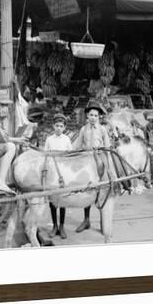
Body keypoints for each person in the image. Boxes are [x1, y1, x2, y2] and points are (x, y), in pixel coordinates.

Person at [71, 100, 111, 233]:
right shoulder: (84, 129)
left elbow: (108, 146)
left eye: (95, 115)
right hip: (87, 162)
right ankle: (86, 220)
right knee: (87, 189)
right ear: (87, 116)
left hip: (100, 161)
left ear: (99, 117)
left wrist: (104, 155)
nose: (93, 118)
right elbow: (76, 145)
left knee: (101, 190)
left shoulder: (102, 129)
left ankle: (102, 221)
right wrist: (70, 152)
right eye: (91, 115)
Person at [44, 114, 72, 239]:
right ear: (53, 126)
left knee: (63, 199)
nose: (59, 128)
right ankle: (54, 226)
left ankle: (62, 226)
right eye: (57, 126)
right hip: (52, 172)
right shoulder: (49, 139)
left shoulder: (66, 139)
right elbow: (45, 154)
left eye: (61, 126)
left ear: (64, 127)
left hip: (63, 173)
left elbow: (70, 155)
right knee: (53, 200)